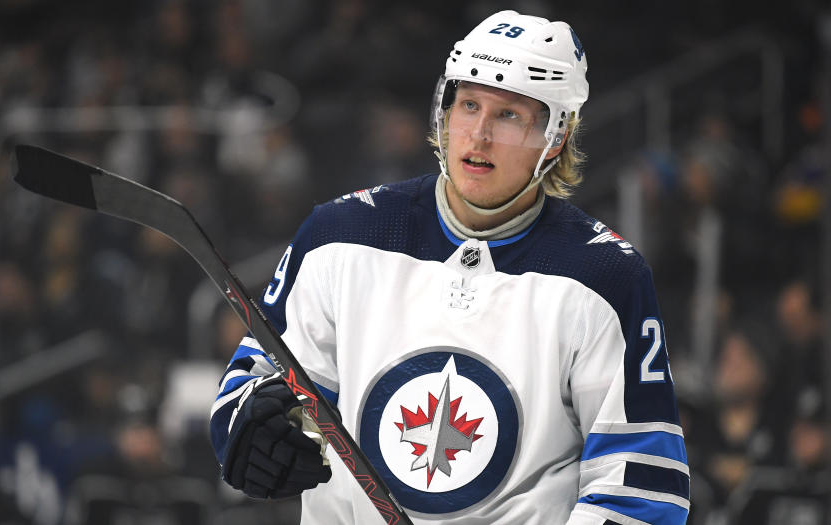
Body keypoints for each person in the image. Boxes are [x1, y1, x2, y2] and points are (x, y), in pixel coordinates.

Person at [209, 10, 689, 525]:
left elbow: (640, 483)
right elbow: (256, 387)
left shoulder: (604, 276)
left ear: (556, 135)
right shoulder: (339, 236)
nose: (478, 135)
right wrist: (260, 429)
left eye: (509, 115)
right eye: (468, 106)